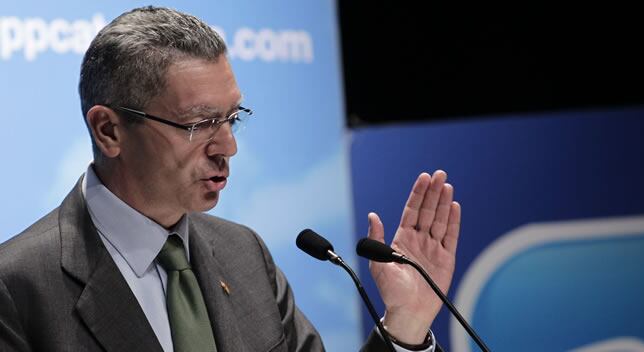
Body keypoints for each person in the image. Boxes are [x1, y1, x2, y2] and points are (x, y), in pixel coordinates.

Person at [0, 6, 461, 352]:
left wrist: (405, 322)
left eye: (232, 118)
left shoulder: (245, 256)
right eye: (199, 123)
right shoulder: (19, 286)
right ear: (110, 130)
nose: (227, 147)